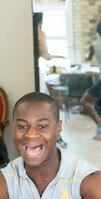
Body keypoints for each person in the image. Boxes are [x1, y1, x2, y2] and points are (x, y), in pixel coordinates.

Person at [34, 12, 68, 149]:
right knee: (47, 106)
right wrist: (58, 56)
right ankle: (56, 137)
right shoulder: (39, 32)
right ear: (40, 22)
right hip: (35, 72)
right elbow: (45, 55)